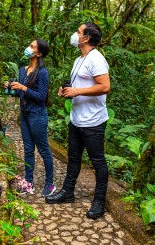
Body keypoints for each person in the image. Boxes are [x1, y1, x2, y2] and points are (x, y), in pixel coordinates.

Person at [45, 23, 110, 219]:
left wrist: (78, 91)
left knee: (98, 162)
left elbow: (105, 86)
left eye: (79, 32)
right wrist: (66, 90)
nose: (75, 34)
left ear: (86, 38)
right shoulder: (79, 59)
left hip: (94, 121)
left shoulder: (97, 59)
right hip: (76, 119)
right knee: (73, 158)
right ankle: (68, 192)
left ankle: (99, 202)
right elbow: (78, 85)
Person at [6, 38, 56, 197]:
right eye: (29, 45)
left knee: (43, 150)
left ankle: (49, 184)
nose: (28, 48)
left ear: (39, 53)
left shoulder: (42, 72)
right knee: (28, 150)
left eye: (32, 46)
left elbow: (41, 97)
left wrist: (23, 87)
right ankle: (28, 182)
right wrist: (10, 87)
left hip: (37, 116)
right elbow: (21, 94)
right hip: (25, 115)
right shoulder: (22, 70)